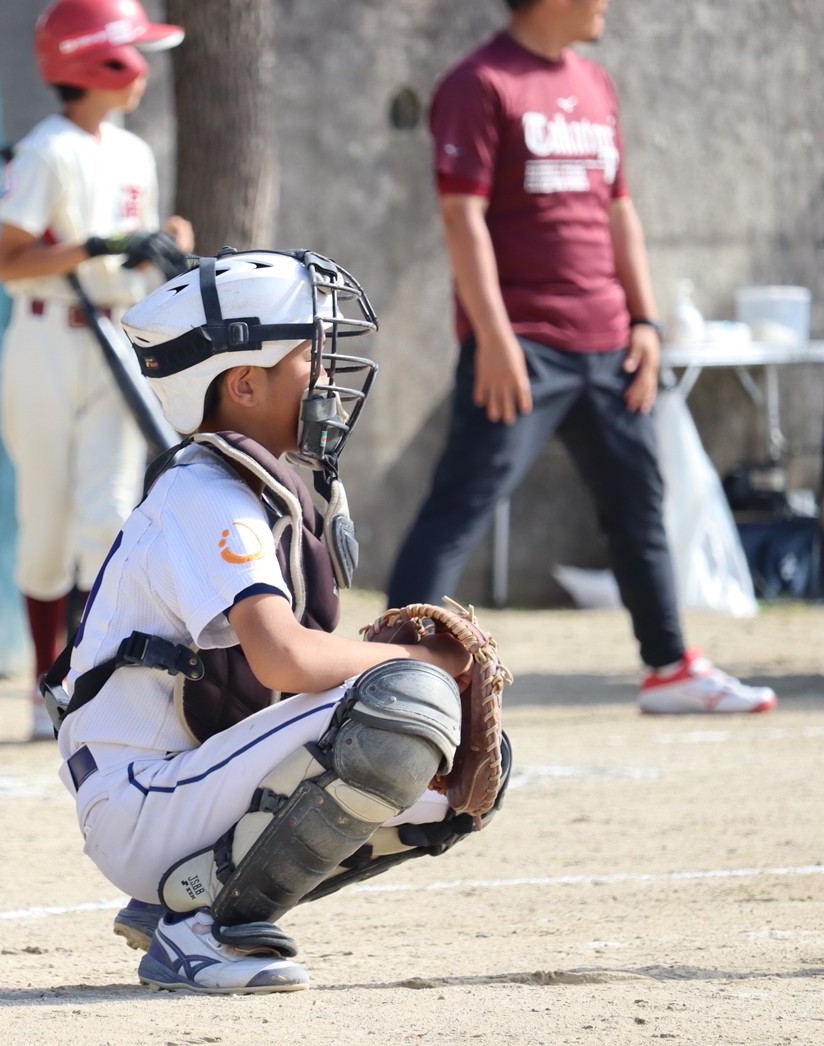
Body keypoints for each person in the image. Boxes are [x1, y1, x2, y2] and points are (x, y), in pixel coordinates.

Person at [45, 249, 504, 994]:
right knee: (407, 707)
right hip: (139, 799)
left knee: (457, 781)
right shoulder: (205, 493)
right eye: (309, 360)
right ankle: (197, 930)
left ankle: (187, 898)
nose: (327, 379)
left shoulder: (251, 489)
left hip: (176, 792)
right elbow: (283, 661)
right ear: (244, 382)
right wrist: (428, 669)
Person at [387, 0, 776, 716]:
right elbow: (461, 216)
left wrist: (646, 320)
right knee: (461, 507)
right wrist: (494, 336)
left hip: (609, 343)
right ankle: (388, 678)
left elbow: (618, 208)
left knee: (639, 506)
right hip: (521, 346)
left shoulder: (597, 84)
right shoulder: (479, 83)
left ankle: (669, 668)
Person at [0, 0, 196, 741]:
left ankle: (84, 681)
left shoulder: (133, 151)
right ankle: (38, 684)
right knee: (45, 525)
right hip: (48, 337)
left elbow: (131, 246)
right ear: (97, 63)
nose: (142, 68)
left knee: (106, 517)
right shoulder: (46, 151)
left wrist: (161, 242)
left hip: (117, 334)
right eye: (131, 54)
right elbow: (9, 263)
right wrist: (102, 245)